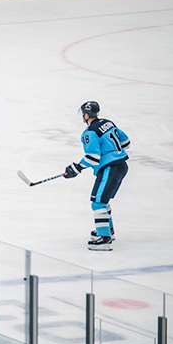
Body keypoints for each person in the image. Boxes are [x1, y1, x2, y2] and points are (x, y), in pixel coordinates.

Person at [64, 101, 130, 251]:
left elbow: (93, 157)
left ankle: (104, 238)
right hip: (122, 166)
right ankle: (107, 230)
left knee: (97, 202)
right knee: (103, 201)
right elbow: (125, 142)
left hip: (109, 168)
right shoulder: (107, 123)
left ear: (86, 115)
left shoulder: (89, 132)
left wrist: (76, 168)